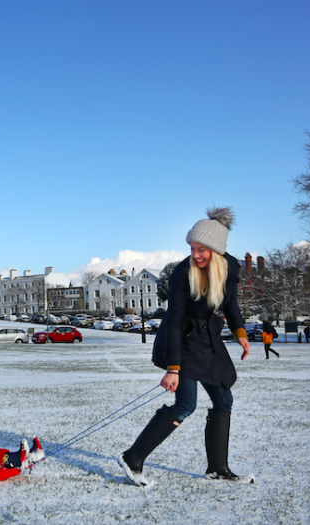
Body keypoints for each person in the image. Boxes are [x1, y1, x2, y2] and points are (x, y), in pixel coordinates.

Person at [119, 207, 255, 486]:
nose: (196, 254)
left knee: (224, 400)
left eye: (202, 249)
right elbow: (175, 321)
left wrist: (240, 331)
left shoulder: (229, 268)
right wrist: (173, 368)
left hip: (209, 341)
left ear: (216, 250)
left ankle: (218, 469)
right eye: (192, 248)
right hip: (182, 339)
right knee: (185, 404)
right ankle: (132, 458)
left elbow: (229, 303)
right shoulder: (183, 273)